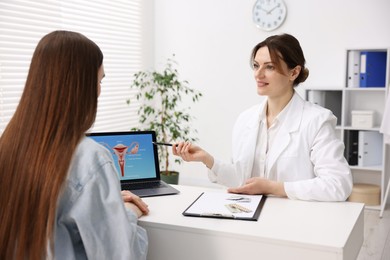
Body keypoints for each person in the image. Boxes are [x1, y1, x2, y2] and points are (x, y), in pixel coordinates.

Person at [0, 31, 149, 259]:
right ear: (82, 86)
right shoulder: (90, 158)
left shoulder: (8, 146)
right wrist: (128, 213)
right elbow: (121, 254)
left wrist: (101, 205)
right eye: (99, 80)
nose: (99, 90)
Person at [173, 33, 353, 202]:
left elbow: (338, 184)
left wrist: (273, 188)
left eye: (270, 67)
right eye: (256, 65)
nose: (258, 74)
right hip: (248, 215)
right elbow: (242, 179)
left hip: (296, 222)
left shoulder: (317, 120)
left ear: (293, 73)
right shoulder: (246, 119)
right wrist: (207, 160)